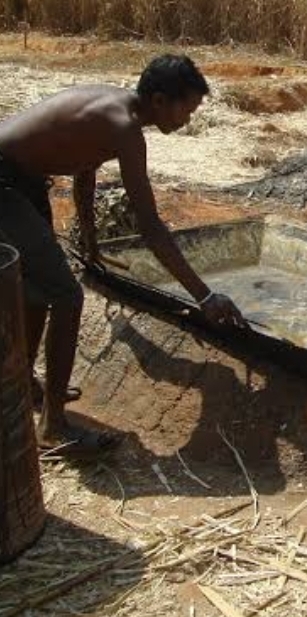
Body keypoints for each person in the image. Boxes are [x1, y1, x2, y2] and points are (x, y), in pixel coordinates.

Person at [0, 54, 246, 457]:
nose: (188, 119)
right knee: (65, 296)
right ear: (161, 100)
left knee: (41, 289)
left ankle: (24, 385)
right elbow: (150, 226)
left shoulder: (117, 110)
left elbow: (85, 170)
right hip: (4, 179)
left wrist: (92, 243)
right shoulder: (125, 127)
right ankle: (53, 428)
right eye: (187, 108)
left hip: (21, 177)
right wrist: (204, 296)